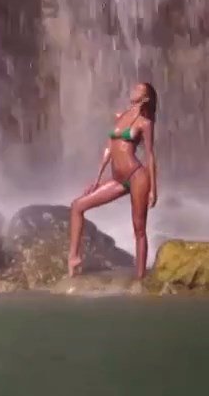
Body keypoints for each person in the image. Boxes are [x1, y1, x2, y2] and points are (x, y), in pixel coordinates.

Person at [67, 81, 158, 279]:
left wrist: (153, 189)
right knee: (77, 206)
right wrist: (97, 179)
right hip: (118, 179)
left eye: (138, 89)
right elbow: (109, 149)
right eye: (134, 87)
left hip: (137, 176)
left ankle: (140, 277)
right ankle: (74, 257)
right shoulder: (120, 116)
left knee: (139, 229)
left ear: (145, 98)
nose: (133, 89)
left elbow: (150, 155)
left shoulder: (145, 123)